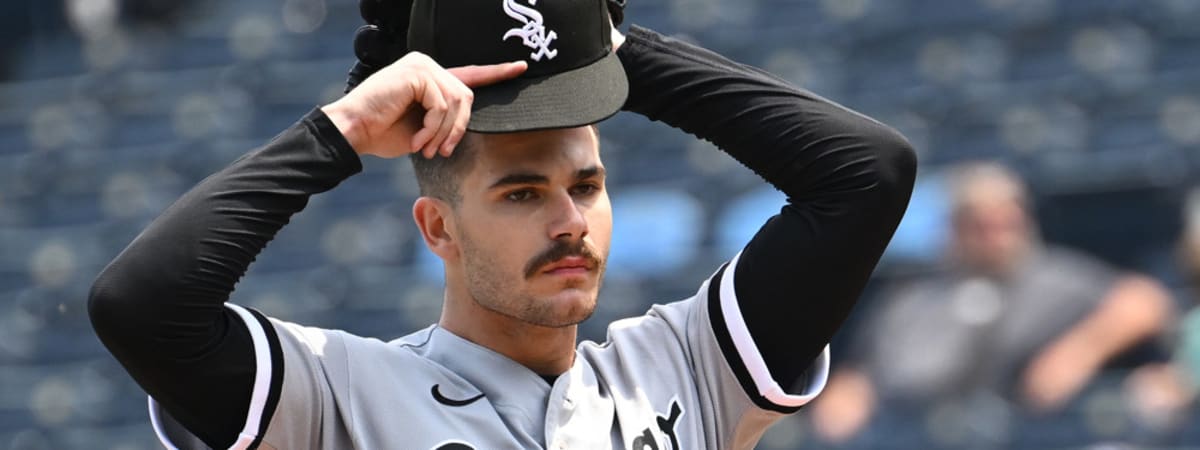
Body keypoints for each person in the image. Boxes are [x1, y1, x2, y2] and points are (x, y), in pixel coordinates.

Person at [87, 0, 917, 448]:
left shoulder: (683, 369)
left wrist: (593, 45)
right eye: (521, 194)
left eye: (586, 185)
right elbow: (140, 305)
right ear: (437, 228)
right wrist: (335, 133)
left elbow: (865, 176)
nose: (569, 222)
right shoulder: (338, 399)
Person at [812, 162, 1173, 446]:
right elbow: (862, 371)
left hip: (1032, 434)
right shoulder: (913, 298)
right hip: (919, 431)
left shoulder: (1058, 276)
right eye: (981, 226)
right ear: (954, 229)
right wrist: (846, 397)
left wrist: (1081, 350)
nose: (996, 237)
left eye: (1006, 223)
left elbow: (1146, 301)